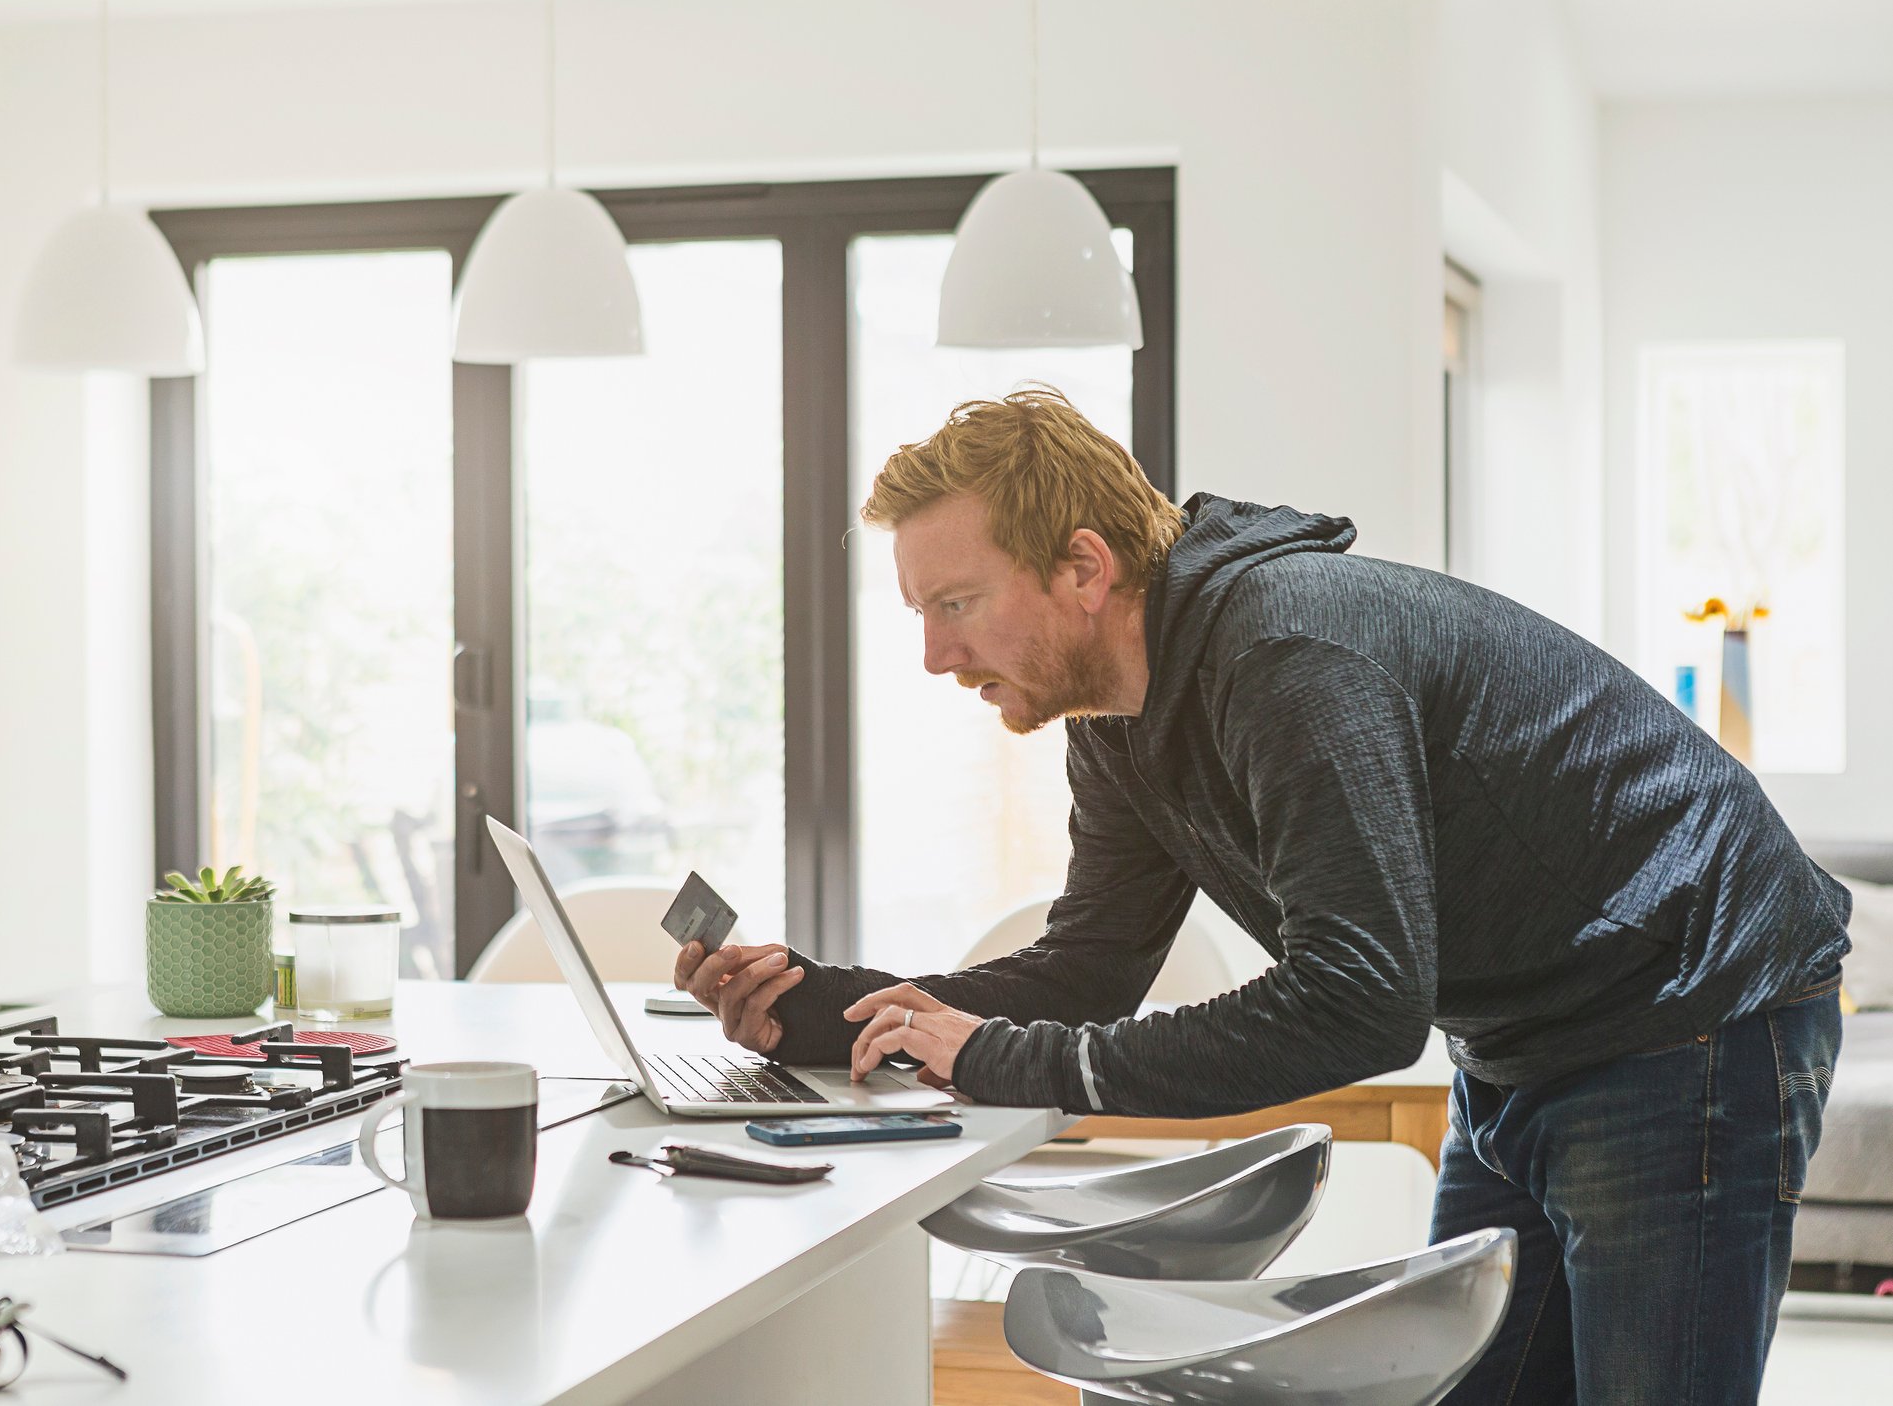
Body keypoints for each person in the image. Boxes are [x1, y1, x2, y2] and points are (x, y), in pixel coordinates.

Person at [674, 386, 1850, 1402]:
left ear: (1084, 567)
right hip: (1528, 1041)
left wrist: (1013, 1058)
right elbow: (1088, 968)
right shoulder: (1118, 720)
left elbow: (1362, 1004)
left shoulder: (1288, 657)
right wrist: (826, 1011)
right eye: (920, 613)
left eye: (956, 604)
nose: (934, 655)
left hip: (1694, 1010)